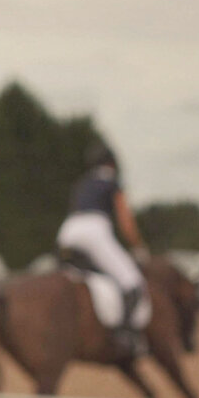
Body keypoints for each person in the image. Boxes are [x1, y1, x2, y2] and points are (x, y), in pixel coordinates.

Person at [56, 142, 150, 356]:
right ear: (111, 162)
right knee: (131, 283)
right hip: (94, 232)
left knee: (91, 279)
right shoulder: (112, 182)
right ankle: (125, 336)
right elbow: (126, 220)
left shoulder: (82, 183)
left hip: (66, 234)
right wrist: (138, 246)